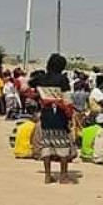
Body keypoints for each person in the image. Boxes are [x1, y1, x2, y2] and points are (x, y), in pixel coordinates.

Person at [32, 53, 75, 184]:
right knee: (63, 146)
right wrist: (69, 114)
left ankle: (47, 175)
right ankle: (63, 176)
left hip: (46, 114)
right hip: (59, 115)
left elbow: (29, 89)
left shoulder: (41, 79)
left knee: (46, 146)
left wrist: (42, 98)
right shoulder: (62, 80)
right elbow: (67, 100)